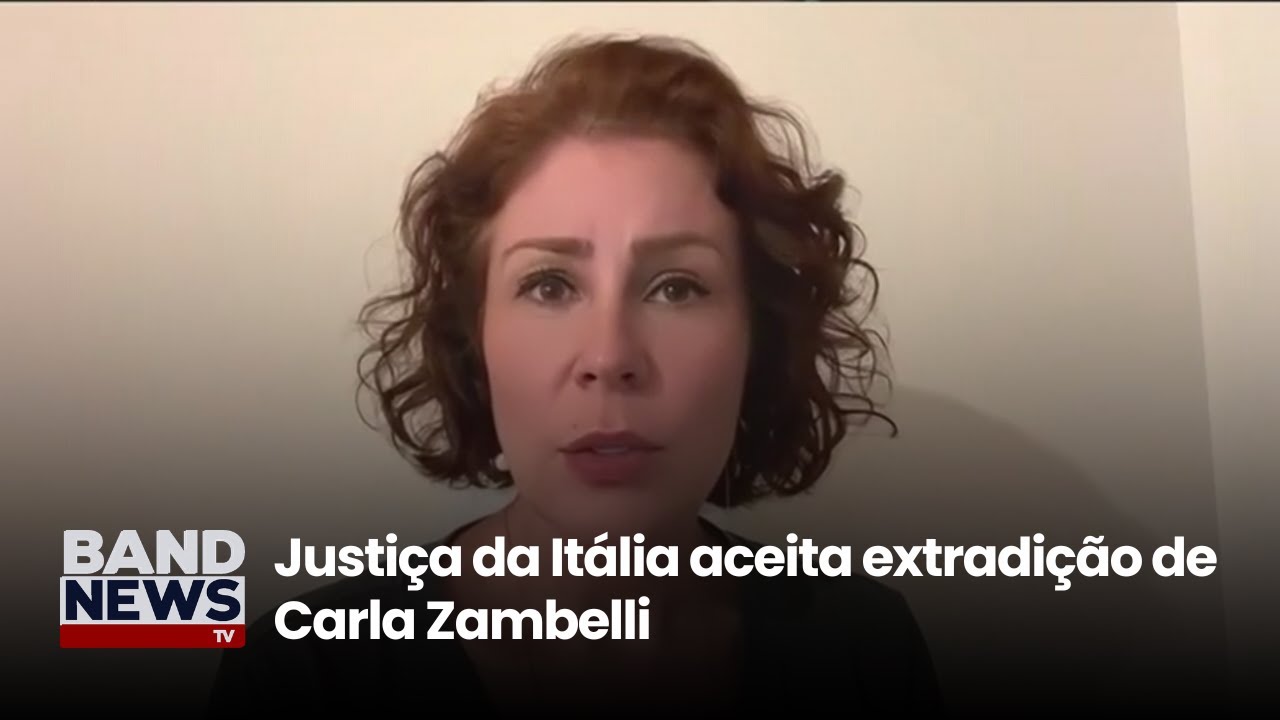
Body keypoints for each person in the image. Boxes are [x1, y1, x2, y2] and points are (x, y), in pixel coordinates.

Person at [209, 33, 942, 716]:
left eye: (677, 287)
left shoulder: (861, 652)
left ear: (761, 340)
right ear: (474, 340)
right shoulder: (306, 675)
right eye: (550, 285)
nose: (609, 357)